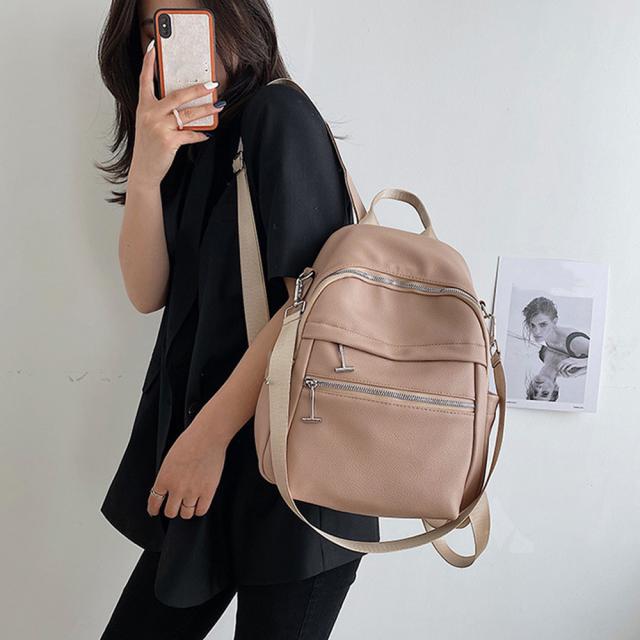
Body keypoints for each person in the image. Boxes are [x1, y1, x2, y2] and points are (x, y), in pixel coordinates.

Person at [96, 0, 380, 637]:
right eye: (155, 27)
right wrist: (145, 172)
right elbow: (147, 291)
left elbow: (311, 306)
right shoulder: (186, 142)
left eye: (193, 14)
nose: (174, 38)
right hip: (208, 470)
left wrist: (205, 441)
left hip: (295, 482)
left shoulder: (280, 116)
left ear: (236, 16)